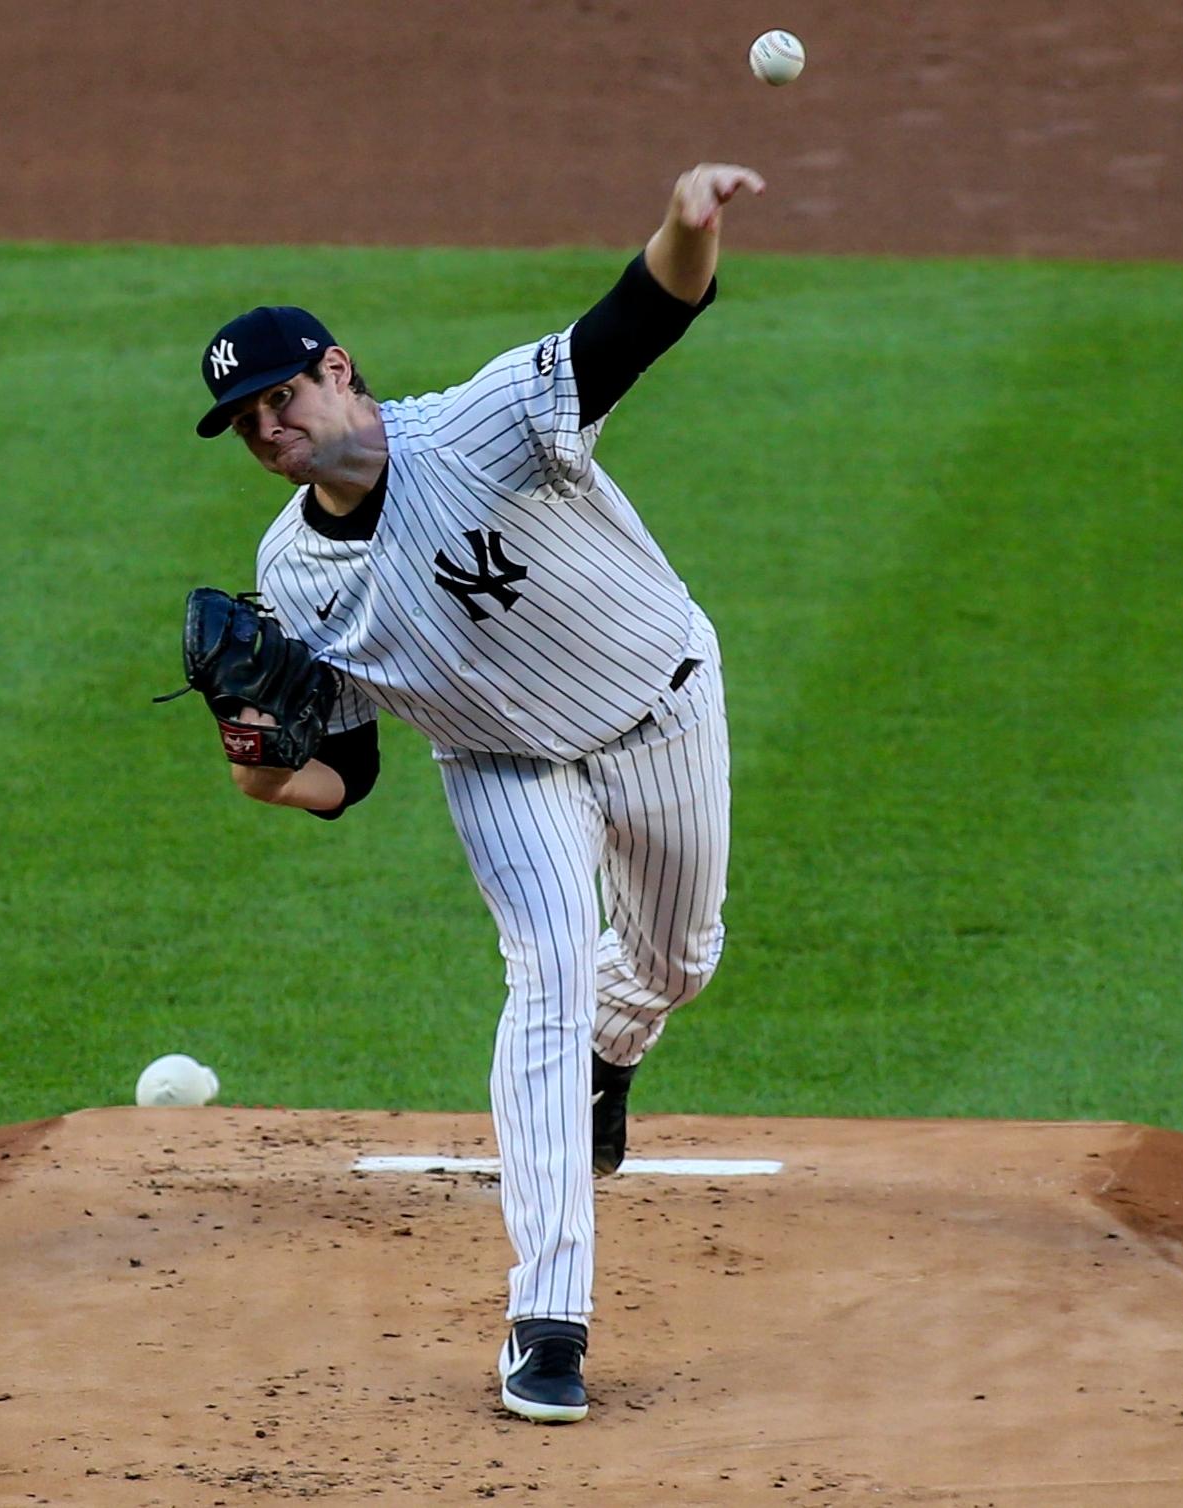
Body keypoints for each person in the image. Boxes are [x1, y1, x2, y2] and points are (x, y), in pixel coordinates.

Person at [188, 163, 764, 1424]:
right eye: (243, 421)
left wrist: (685, 223)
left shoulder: (493, 418)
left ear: (339, 370)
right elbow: (352, 772)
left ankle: (622, 1051)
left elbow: (638, 322)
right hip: (501, 766)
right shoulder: (291, 576)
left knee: (675, 963)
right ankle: (545, 1318)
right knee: (547, 974)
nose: (267, 429)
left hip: (659, 701)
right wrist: (269, 774)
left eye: (277, 396)